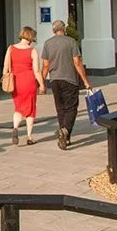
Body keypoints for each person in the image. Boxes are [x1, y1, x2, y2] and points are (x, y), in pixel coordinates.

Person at [41, 20, 92, 150]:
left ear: (53, 30)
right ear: (64, 29)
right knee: (71, 108)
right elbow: (77, 62)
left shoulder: (47, 43)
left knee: (60, 108)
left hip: (54, 80)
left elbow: (45, 65)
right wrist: (85, 81)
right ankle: (65, 130)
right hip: (69, 79)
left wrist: (41, 83)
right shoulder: (71, 42)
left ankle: (66, 137)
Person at [3, 26, 43, 146]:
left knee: (18, 107)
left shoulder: (10, 48)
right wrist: (41, 84)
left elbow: (5, 67)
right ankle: (29, 136)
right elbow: (36, 70)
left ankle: (15, 127)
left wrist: (6, 78)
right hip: (29, 81)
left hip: (16, 81)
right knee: (30, 109)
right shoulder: (32, 51)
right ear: (31, 37)